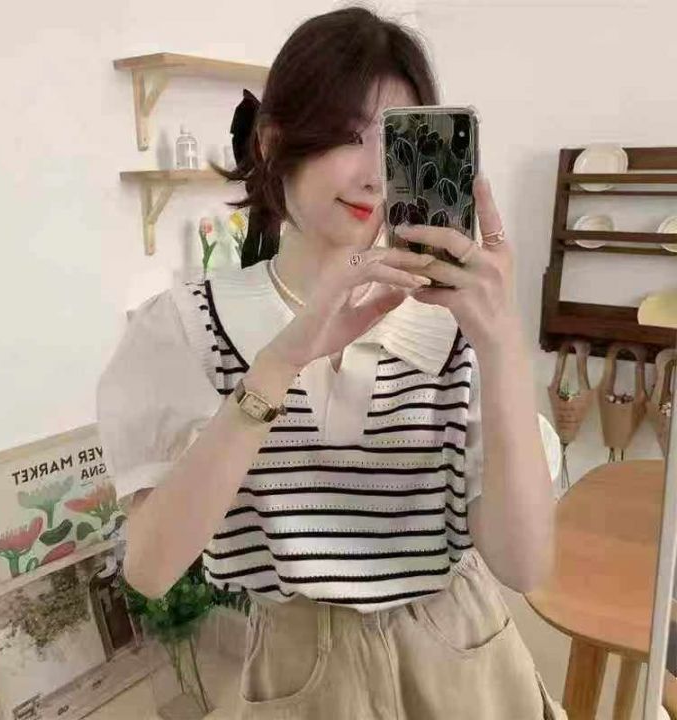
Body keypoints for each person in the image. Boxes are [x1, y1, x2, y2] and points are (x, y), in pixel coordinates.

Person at [96, 6, 566, 719]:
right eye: (349, 136)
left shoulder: (459, 320)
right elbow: (152, 569)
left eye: (397, 141)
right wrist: (280, 361)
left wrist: (501, 345)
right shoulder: (187, 326)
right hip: (298, 674)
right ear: (273, 140)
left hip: (465, 661)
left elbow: (524, 566)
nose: (375, 176)